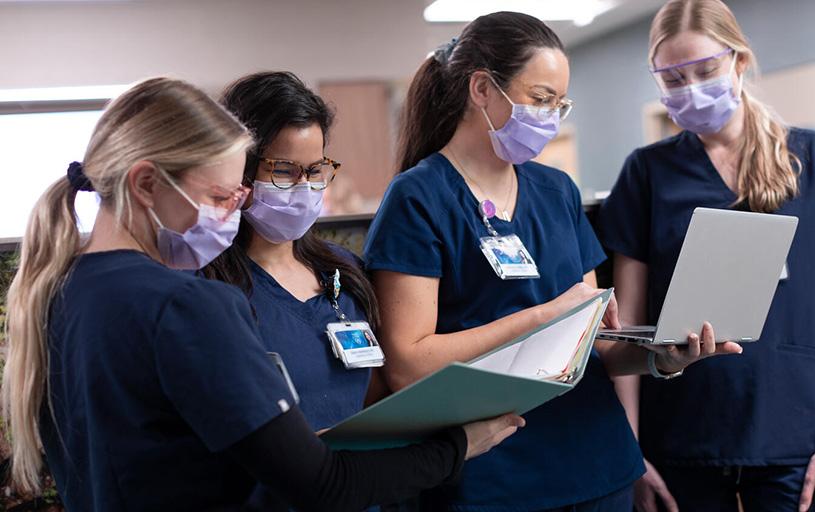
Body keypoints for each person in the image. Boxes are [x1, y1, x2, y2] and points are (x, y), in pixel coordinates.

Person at [0, 77, 522, 512]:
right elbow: (322, 484)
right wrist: (460, 446)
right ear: (145, 184)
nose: (229, 214)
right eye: (220, 196)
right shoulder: (190, 304)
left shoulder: (60, 287)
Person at [362, 12, 740, 511]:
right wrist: (542, 316)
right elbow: (408, 367)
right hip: (495, 474)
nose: (550, 116)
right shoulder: (418, 198)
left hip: (596, 462)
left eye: (559, 104)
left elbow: (591, 344)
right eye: (540, 99)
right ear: (482, 89)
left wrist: (661, 358)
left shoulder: (556, 190)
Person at [597, 1, 815, 511]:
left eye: (705, 70)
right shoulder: (646, 174)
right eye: (672, 78)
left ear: (739, 61)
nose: (690, 89)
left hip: (791, 432)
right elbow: (629, 323)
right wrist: (631, 454)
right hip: (681, 437)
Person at [203, 71, 386, 431]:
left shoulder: (344, 271)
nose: (304, 187)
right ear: (240, 170)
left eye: (315, 170)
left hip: (361, 477)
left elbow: (374, 395)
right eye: (284, 171)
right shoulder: (208, 284)